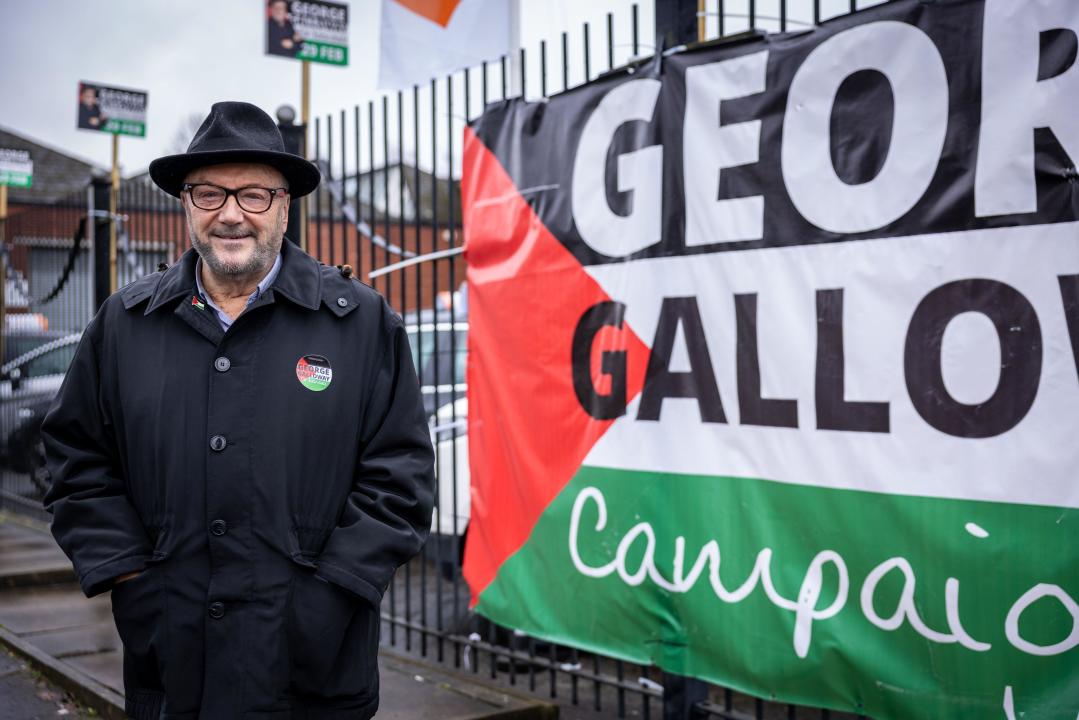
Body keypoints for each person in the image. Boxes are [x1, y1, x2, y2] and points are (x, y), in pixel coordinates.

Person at [42, 101, 434, 719]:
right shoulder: (124, 324)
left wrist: (329, 596)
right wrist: (131, 580)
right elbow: (75, 460)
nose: (230, 214)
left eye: (253, 195)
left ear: (283, 204)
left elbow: (400, 478)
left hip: (314, 674)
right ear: (185, 205)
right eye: (208, 194)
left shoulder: (361, 324)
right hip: (174, 668)